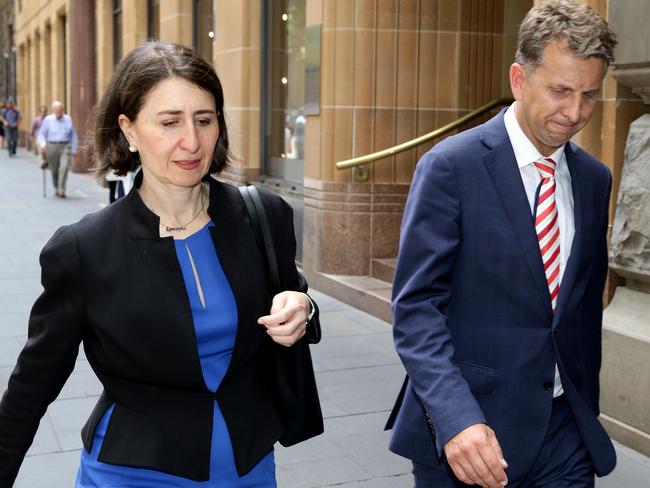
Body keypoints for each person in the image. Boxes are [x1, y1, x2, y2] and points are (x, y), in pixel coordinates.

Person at [0, 41, 323, 487]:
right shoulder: (84, 248)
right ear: (128, 129)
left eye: (204, 120)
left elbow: (293, 293)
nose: (191, 142)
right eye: (169, 122)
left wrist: (304, 308)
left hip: (248, 465)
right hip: (134, 469)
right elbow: (34, 380)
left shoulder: (264, 216)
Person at [386, 2, 617, 487]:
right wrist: (455, 418)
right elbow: (416, 307)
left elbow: (579, 312)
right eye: (560, 91)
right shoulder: (451, 166)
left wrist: (584, 411)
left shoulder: (595, 180)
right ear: (518, 79)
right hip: (470, 440)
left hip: (565, 435)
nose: (575, 113)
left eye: (589, 95)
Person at [37, 101, 78, 198]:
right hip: (52, 146)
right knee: (54, 169)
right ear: (53, 111)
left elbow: (73, 135)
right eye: (56, 111)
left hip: (65, 146)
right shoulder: (48, 119)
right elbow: (41, 134)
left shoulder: (68, 119)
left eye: (59, 111)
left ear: (62, 110)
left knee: (64, 168)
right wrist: (43, 144)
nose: (58, 114)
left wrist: (74, 149)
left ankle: (61, 189)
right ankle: (56, 187)